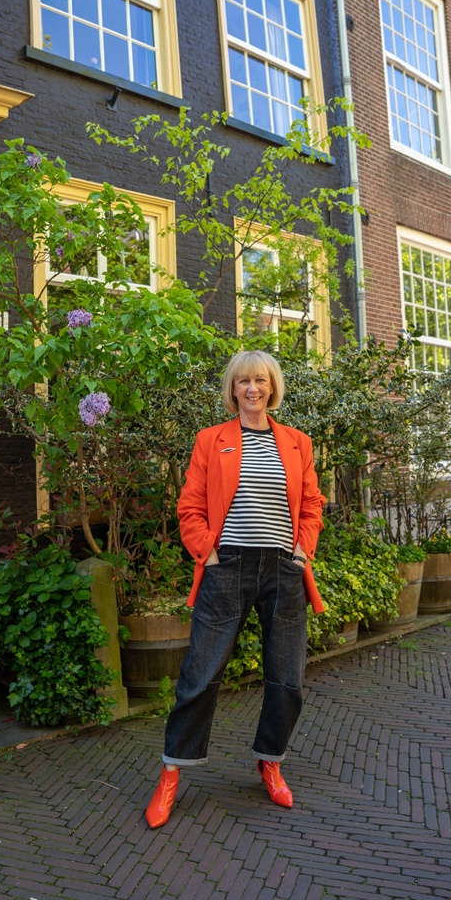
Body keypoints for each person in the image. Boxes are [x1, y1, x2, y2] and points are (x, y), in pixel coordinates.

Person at [145, 350, 326, 828]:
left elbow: (311, 505)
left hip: (283, 570)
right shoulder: (211, 440)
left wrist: (302, 552)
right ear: (233, 388)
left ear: (272, 388)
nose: (253, 388)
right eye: (244, 381)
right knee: (200, 676)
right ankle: (171, 772)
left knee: (288, 679)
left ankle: (270, 760)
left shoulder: (297, 443)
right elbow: (190, 508)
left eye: (261, 381)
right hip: (227, 568)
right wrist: (208, 551)